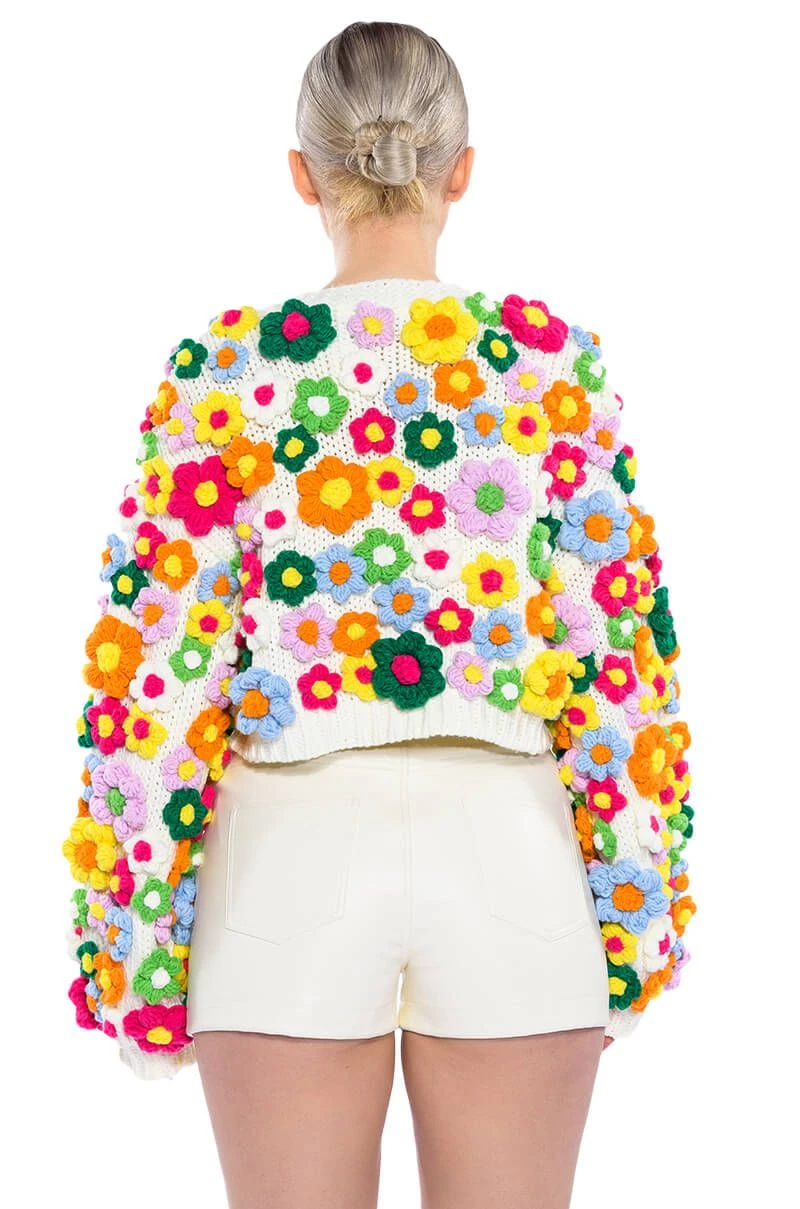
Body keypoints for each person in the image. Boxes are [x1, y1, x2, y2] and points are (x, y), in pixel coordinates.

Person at [62, 19, 696, 1209]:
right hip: (511, 856)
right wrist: (635, 915)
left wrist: (132, 955)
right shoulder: (549, 367)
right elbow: (618, 664)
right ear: (462, 170)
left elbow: (157, 678)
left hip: (282, 869)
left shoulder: (224, 371)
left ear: (302, 175)